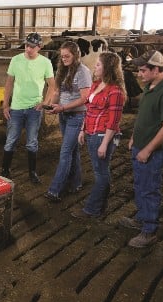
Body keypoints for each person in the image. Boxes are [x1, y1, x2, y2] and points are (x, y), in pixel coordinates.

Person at [119, 50, 163, 248]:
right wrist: (135, 138)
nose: (139, 74)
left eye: (143, 70)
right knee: (139, 185)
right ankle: (142, 217)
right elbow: (145, 116)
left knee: (150, 188)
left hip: (152, 151)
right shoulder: (149, 87)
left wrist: (148, 149)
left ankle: (149, 229)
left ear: (156, 69)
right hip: (139, 145)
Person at [70, 52, 126, 219]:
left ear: (107, 68)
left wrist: (104, 143)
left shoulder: (115, 91)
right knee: (100, 171)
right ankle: (100, 206)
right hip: (92, 132)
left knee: (101, 173)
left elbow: (113, 120)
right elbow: (89, 110)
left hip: (103, 135)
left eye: (99, 65)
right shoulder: (96, 85)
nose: (95, 67)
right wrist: (82, 129)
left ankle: (91, 209)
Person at [0, 32, 55, 184]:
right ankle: (5, 169)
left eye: (32, 47)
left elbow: (52, 86)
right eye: (26, 46)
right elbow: (9, 83)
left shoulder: (45, 62)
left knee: (32, 141)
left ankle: (32, 172)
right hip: (16, 107)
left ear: (39, 47)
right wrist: (6, 104)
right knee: (11, 140)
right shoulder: (16, 60)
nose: (28, 49)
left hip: (34, 109)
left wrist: (45, 102)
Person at [43, 41, 92, 201]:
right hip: (64, 115)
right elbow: (57, 91)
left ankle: (54, 190)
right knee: (72, 151)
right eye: (62, 56)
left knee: (65, 153)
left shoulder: (82, 71)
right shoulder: (63, 70)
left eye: (67, 56)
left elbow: (85, 98)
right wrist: (50, 105)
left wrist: (63, 108)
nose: (64, 59)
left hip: (77, 116)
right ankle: (76, 183)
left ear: (75, 55)